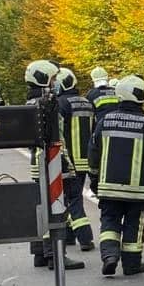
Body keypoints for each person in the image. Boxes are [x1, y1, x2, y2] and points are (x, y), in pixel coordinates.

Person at [87, 75, 144, 276]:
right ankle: (131, 265)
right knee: (134, 224)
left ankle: (110, 256)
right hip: (137, 191)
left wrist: (94, 179)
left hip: (108, 188)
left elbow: (94, 152)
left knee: (109, 222)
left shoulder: (104, 121)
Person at [25, 59, 84, 271]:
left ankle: (40, 253)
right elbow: (57, 140)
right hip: (53, 163)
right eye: (52, 79)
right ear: (43, 80)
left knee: (40, 207)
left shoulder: (29, 103)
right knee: (56, 209)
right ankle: (55, 255)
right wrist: (68, 166)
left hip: (37, 164)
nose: (54, 83)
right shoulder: (49, 104)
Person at [54, 67, 95, 251]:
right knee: (71, 197)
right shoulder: (87, 103)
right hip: (85, 160)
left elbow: (59, 133)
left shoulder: (61, 103)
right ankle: (68, 236)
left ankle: (85, 237)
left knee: (70, 199)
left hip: (68, 160)